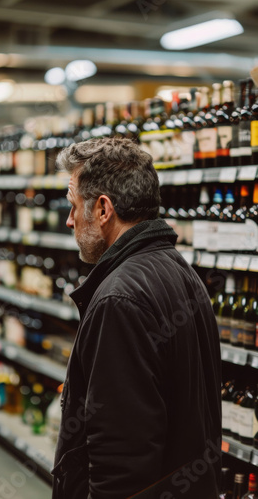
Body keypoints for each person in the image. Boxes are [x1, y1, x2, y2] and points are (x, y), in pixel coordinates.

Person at [51, 137, 221, 499]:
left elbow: (119, 464)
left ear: (102, 209)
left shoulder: (119, 299)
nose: (68, 221)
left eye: (73, 206)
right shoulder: (181, 272)